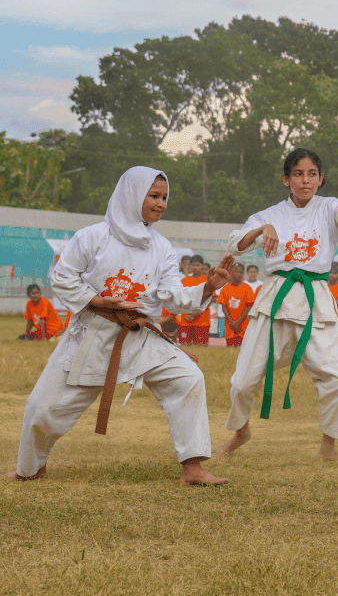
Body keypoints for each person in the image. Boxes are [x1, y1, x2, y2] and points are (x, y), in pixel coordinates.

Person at [9, 166, 230, 485]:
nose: (161, 204)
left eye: (165, 197)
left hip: (141, 336)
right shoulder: (92, 237)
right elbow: (62, 277)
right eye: (153, 196)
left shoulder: (162, 248)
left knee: (188, 379)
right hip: (92, 336)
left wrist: (207, 287)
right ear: (131, 195)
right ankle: (30, 468)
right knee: (41, 408)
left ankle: (192, 467)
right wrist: (97, 301)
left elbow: (171, 295)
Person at [220, 148, 338, 460]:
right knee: (242, 381)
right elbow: (234, 245)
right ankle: (241, 432)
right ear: (286, 179)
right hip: (275, 297)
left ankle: (328, 447)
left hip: (315, 296)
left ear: (320, 179)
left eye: (312, 174)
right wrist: (263, 229)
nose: (305, 180)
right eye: (298, 174)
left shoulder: (328, 208)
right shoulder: (269, 214)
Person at [217, 263, 256, 348]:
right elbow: (224, 307)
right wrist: (232, 323)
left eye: (241, 272)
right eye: (236, 272)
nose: (239, 274)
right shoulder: (225, 288)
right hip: (229, 325)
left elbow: (249, 306)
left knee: (242, 348)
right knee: (230, 350)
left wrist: (237, 323)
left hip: (243, 324)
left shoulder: (247, 288)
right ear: (231, 272)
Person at [177, 256, 211, 345]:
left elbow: (210, 299)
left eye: (198, 265)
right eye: (193, 265)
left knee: (201, 349)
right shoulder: (183, 281)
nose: (195, 267)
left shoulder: (207, 281)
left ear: (203, 266)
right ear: (189, 267)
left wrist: (195, 313)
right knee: (185, 348)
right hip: (185, 320)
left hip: (201, 320)